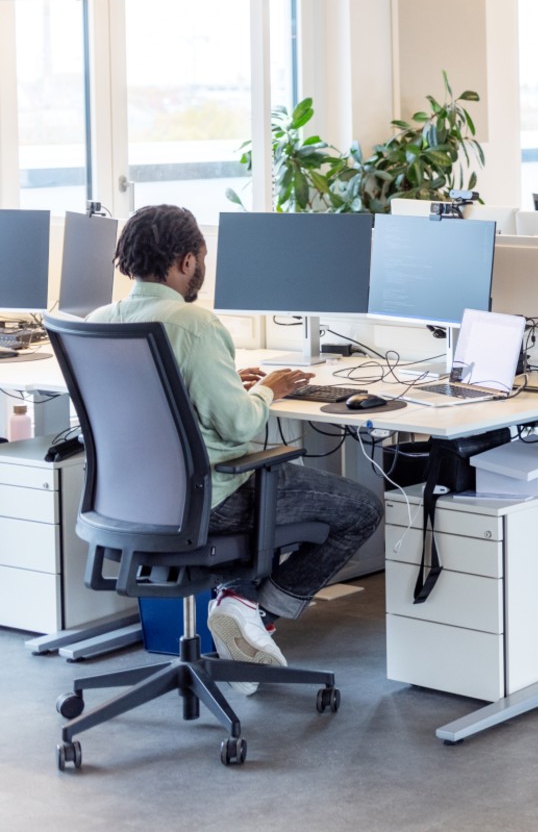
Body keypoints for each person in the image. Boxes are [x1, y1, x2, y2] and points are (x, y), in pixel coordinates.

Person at [88, 205, 383, 686]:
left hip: (134, 501)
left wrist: (224, 380)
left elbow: (152, 404)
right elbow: (239, 427)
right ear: (186, 261)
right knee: (363, 508)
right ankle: (252, 608)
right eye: (201, 257)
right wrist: (270, 389)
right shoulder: (195, 325)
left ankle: (240, 605)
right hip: (212, 500)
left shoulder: (101, 320)